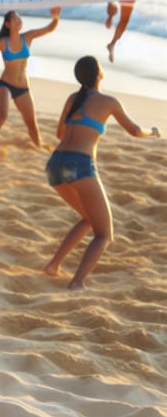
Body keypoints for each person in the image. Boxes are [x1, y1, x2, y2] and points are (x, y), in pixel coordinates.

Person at [43, 56, 161, 289]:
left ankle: (53, 266)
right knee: (104, 234)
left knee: (89, 218)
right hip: (79, 165)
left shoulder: (73, 99)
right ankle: (77, 283)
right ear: (99, 74)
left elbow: (60, 134)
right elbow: (135, 131)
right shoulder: (109, 102)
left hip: (55, 164)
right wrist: (153, 131)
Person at [0, 7, 61, 152]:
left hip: (23, 88)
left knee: (31, 123)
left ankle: (38, 147)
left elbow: (49, 29)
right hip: (6, 85)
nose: (18, 20)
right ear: (8, 24)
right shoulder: (3, 42)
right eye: (15, 19)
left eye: (19, 18)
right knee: (2, 116)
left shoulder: (27, 37)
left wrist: (55, 17)